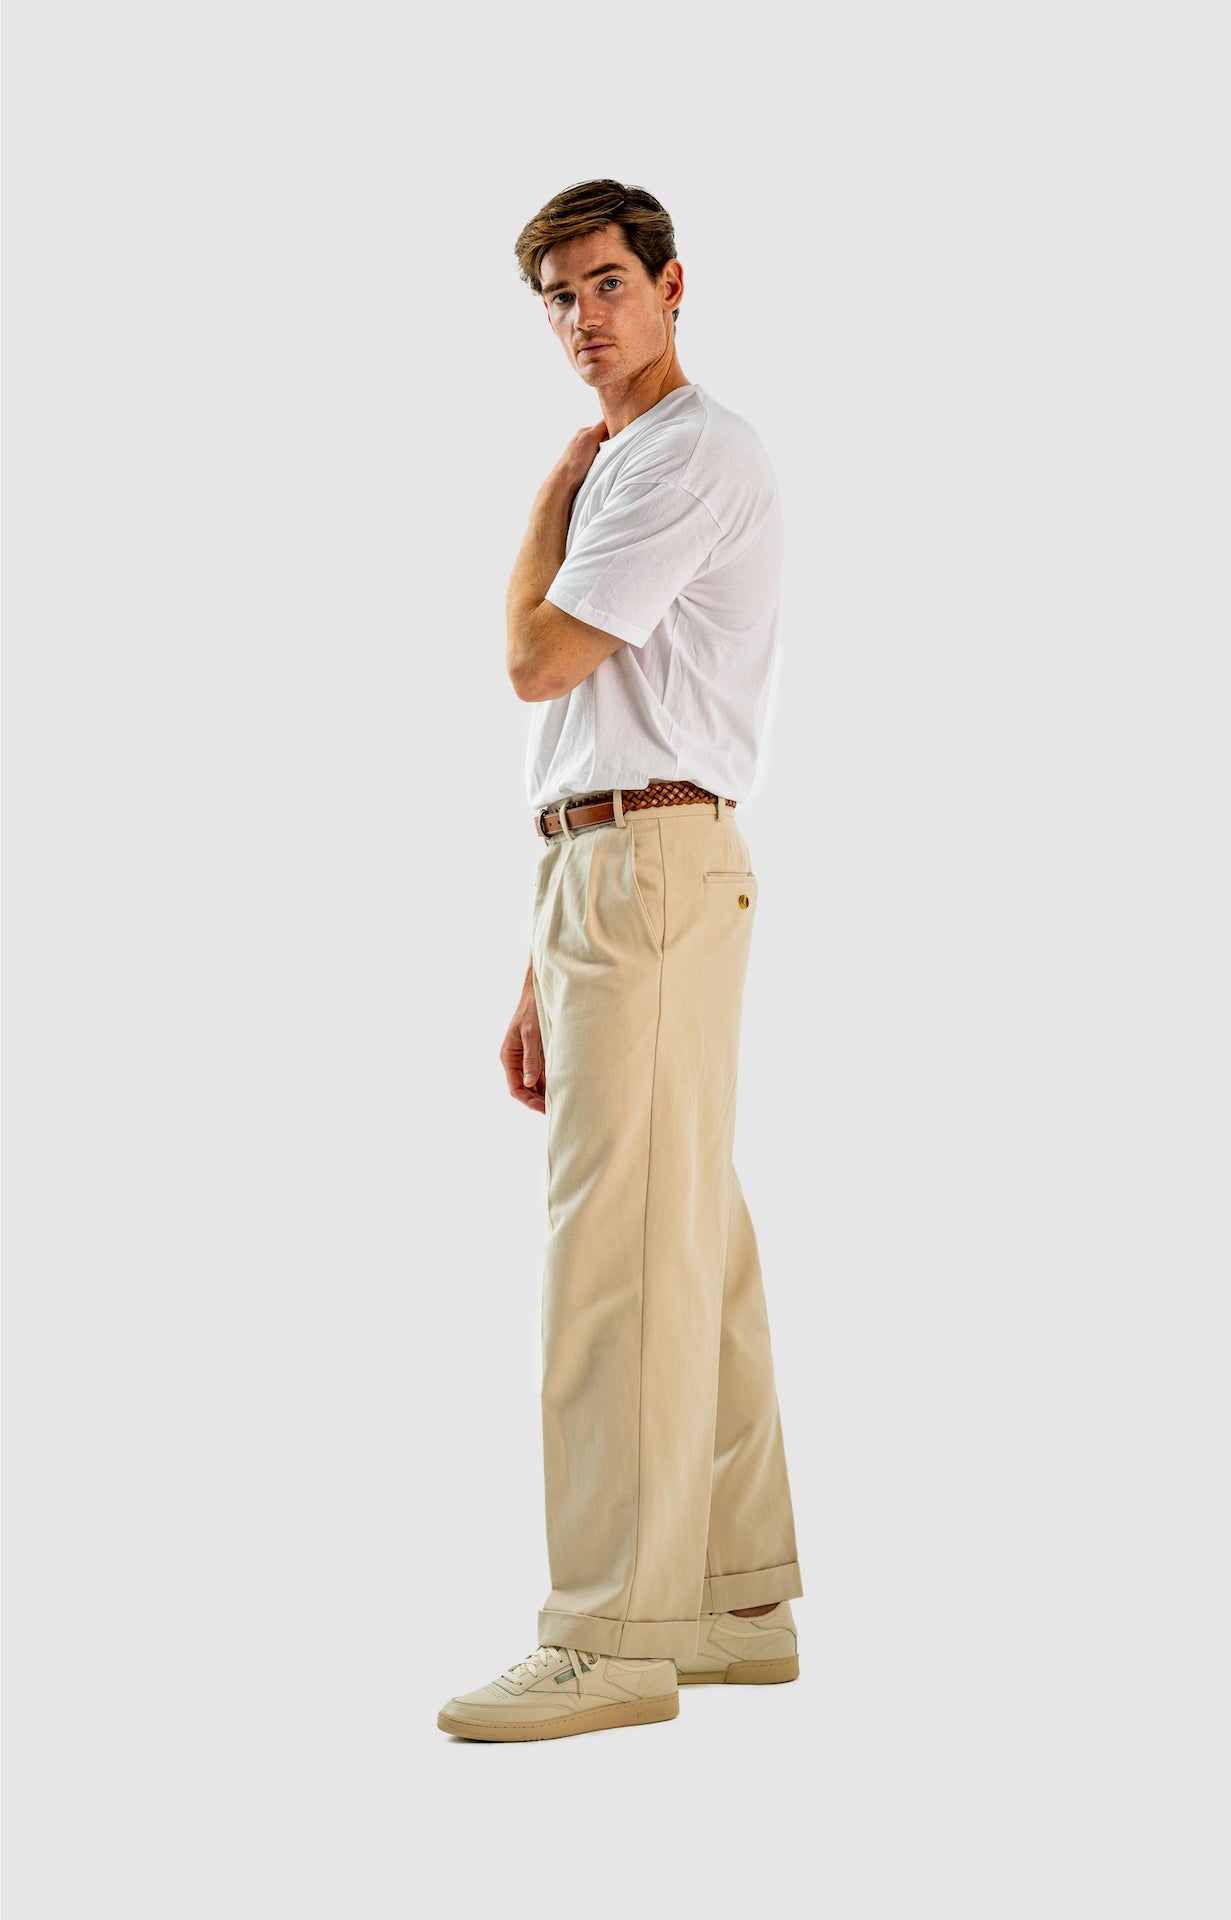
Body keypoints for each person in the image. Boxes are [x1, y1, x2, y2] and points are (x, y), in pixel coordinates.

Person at [437, 180, 803, 1743]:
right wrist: (543, 959)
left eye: (605, 285)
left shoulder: (680, 455)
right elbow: (593, 733)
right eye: (557, 298)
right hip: (616, 865)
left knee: (617, 1260)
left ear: (670, 284)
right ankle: (729, 1601)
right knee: (686, 1235)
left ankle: (613, 1636)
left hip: (646, 865)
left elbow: (539, 661)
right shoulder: (643, 457)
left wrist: (544, 501)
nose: (583, 319)